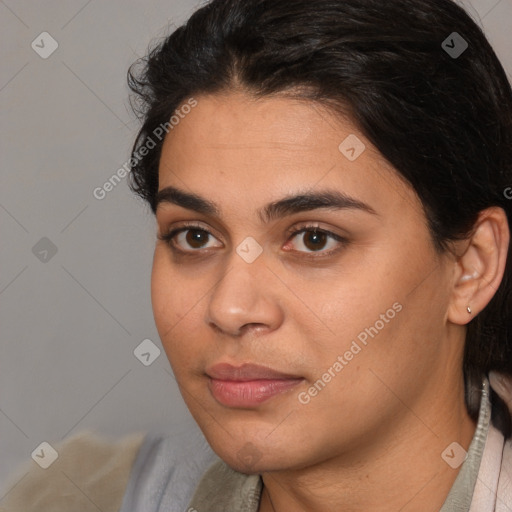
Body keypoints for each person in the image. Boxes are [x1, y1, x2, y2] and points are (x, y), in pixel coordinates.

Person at [2, 0, 511, 511]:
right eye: (195, 236)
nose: (229, 309)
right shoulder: (78, 498)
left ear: (472, 266)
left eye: (314, 239)